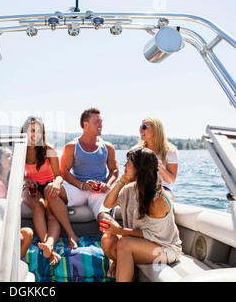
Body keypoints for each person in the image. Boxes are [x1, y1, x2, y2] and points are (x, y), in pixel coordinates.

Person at [100, 148, 182, 282]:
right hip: (143, 244)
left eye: (128, 163)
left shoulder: (157, 199)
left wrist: (121, 231)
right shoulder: (130, 189)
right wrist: (122, 180)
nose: (124, 165)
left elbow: (152, 235)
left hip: (165, 248)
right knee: (107, 239)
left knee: (125, 243)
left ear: (140, 168)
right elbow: (108, 203)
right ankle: (130, 272)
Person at [46, 108, 119, 249]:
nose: (101, 125)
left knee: (105, 217)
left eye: (101, 122)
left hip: (99, 192)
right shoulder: (72, 147)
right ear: (86, 124)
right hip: (77, 189)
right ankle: (71, 234)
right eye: (96, 122)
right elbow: (64, 172)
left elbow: (114, 170)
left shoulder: (108, 147)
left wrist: (107, 184)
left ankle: (114, 248)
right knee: (50, 190)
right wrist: (81, 185)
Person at [21, 116, 65, 265]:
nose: (36, 134)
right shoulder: (20, 150)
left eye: (39, 131)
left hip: (49, 185)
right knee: (38, 207)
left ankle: (49, 245)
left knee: (51, 214)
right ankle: (49, 248)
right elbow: (18, 175)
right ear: (25, 132)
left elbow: (59, 176)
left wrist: (56, 184)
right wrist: (27, 180)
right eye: (32, 130)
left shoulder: (49, 150)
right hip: (31, 187)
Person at [0, 146, 34, 258]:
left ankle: (14, 265)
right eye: (8, 156)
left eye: (12, 155)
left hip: (11, 223)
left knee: (28, 234)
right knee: (18, 239)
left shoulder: (14, 180)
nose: (12, 158)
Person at [136, 117, 178, 192]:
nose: (140, 130)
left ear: (155, 130)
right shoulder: (136, 151)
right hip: (141, 189)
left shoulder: (169, 151)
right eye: (140, 127)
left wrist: (160, 167)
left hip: (162, 190)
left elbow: (171, 180)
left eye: (144, 127)